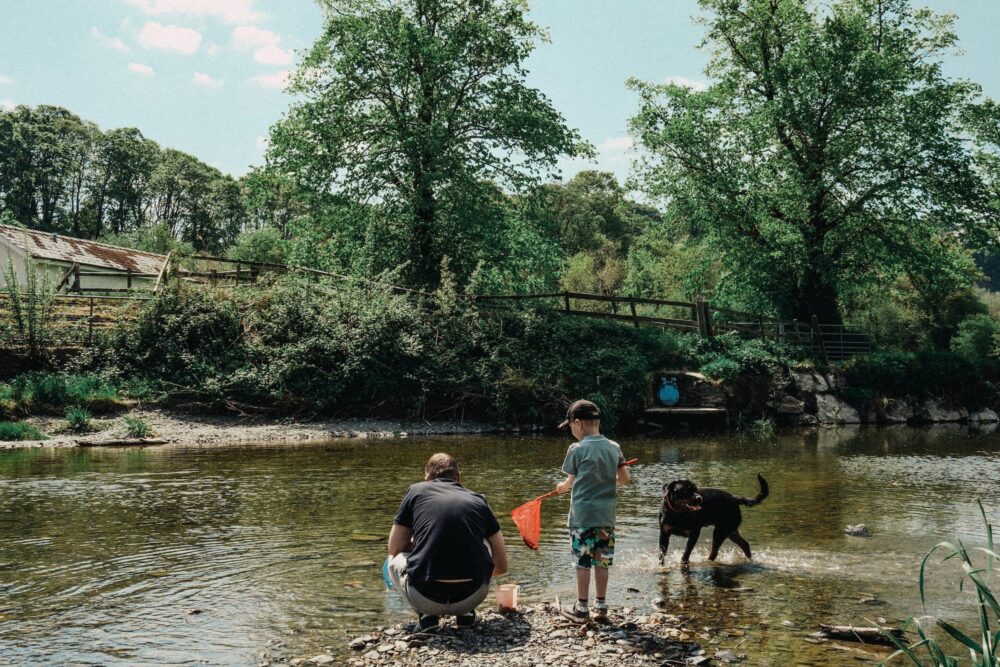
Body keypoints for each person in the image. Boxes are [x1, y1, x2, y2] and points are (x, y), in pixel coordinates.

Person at [386, 452, 509, 632]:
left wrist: (419, 547)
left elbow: (394, 547)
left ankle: (427, 616)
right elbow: (502, 566)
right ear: (458, 476)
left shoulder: (415, 491)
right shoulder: (479, 500)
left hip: (425, 597)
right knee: (482, 542)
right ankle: (466, 614)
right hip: (472, 595)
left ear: (426, 478)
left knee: (392, 559)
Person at [553, 399, 630, 623]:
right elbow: (625, 479)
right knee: (602, 560)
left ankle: (582, 608)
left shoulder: (577, 449)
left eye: (570, 427)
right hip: (606, 518)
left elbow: (569, 483)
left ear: (578, 423)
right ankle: (602, 606)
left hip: (582, 518)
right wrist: (607, 481)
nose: (571, 432)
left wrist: (561, 488)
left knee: (582, 562)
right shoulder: (614, 447)